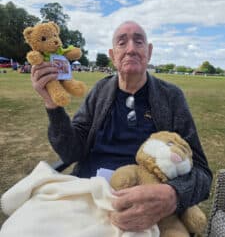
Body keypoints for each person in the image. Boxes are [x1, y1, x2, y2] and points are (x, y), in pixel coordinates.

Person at [31, 21, 212, 232]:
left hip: (147, 210)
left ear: (149, 51)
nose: (131, 49)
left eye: (139, 41)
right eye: (122, 42)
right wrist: (52, 105)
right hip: (90, 196)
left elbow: (202, 172)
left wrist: (174, 194)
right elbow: (71, 151)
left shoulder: (171, 97)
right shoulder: (100, 90)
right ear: (112, 55)